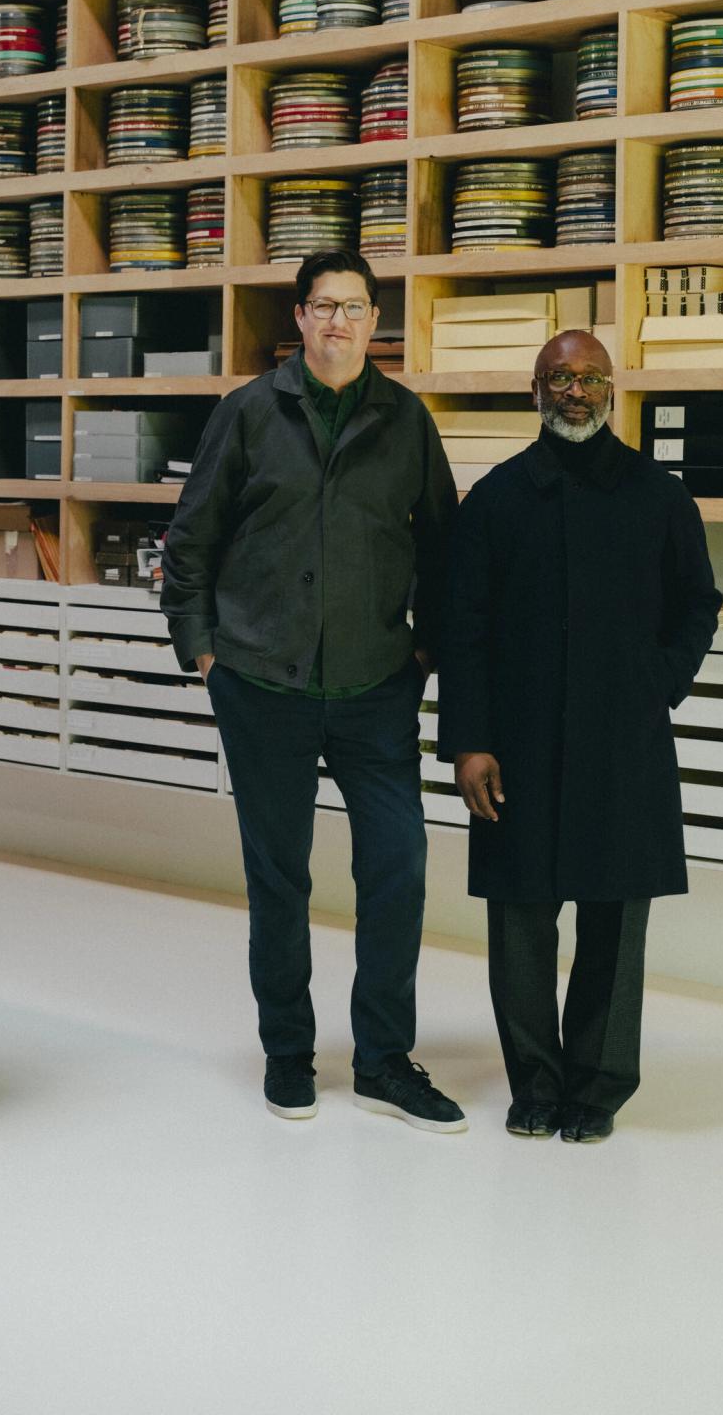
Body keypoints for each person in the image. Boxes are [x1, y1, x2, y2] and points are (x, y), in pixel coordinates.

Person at [160, 249, 466, 1133]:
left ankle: (382, 1059)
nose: (339, 322)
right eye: (323, 306)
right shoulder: (250, 415)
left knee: (399, 866)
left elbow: (443, 552)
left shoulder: (406, 421)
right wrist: (205, 657)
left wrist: (425, 656)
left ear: (375, 322)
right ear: (298, 318)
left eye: (356, 308)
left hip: (375, 686)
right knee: (279, 877)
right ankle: (288, 1052)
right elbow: (190, 544)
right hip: (262, 684)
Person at [439, 330, 722, 1143]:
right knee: (519, 919)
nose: (575, 391)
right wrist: (468, 744)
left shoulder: (657, 495)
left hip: (622, 742)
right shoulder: (494, 499)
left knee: (613, 921)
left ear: (612, 390)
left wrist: (658, 682)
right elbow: (463, 629)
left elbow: (697, 604)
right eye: (559, 378)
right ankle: (535, 1085)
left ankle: (595, 1090)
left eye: (590, 378)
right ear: (535, 390)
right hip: (514, 746)